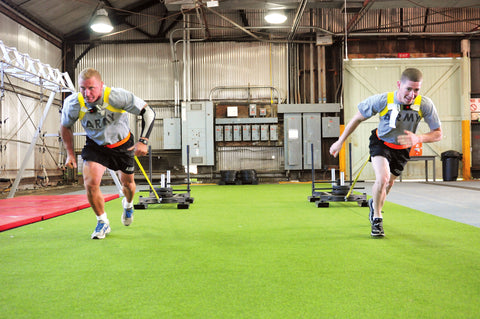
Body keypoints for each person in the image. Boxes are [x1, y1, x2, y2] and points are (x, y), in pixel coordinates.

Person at [329, 68, 442, 237]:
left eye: (416, 90)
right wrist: (340, 141)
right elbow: (357, 118)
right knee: (383, 178)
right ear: (399, 85)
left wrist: (418, 138)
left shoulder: (425, 104)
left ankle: (374, 205)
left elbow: (438, 133)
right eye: (408, 89)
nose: (412, 94)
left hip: (402, 148)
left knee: (388, 184)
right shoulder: (383, 100)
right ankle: (377, 218)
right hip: (381, 143)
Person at [60, 68, 156, 239]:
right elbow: (65, 126)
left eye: (91, 88)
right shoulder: (73, 103)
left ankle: (127, 204)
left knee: (128, 185)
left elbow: (148, 112)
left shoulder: (117, 96)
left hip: (122, 145)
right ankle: (102, 222)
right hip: (96, 145)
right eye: (82, 88)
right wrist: (70, 154)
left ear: (101, 86)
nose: (87, 93)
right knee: (90, 183)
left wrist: (143, 141)